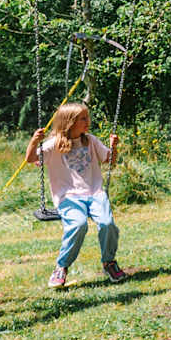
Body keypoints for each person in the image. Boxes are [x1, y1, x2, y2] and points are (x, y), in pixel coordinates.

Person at [25, 101, 123, 288]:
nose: (88, 121)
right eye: (82, 119)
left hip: (95, 192)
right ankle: (61, 267)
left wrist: (113, 147)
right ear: (69, 122)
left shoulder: (91, 141)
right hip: (68, 196)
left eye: (87, 117)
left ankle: (109, 262)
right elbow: (30, 158)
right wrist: (34, 141)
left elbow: (110, 161)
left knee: (107, 224)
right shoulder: (54, 145)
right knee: (78, 225)